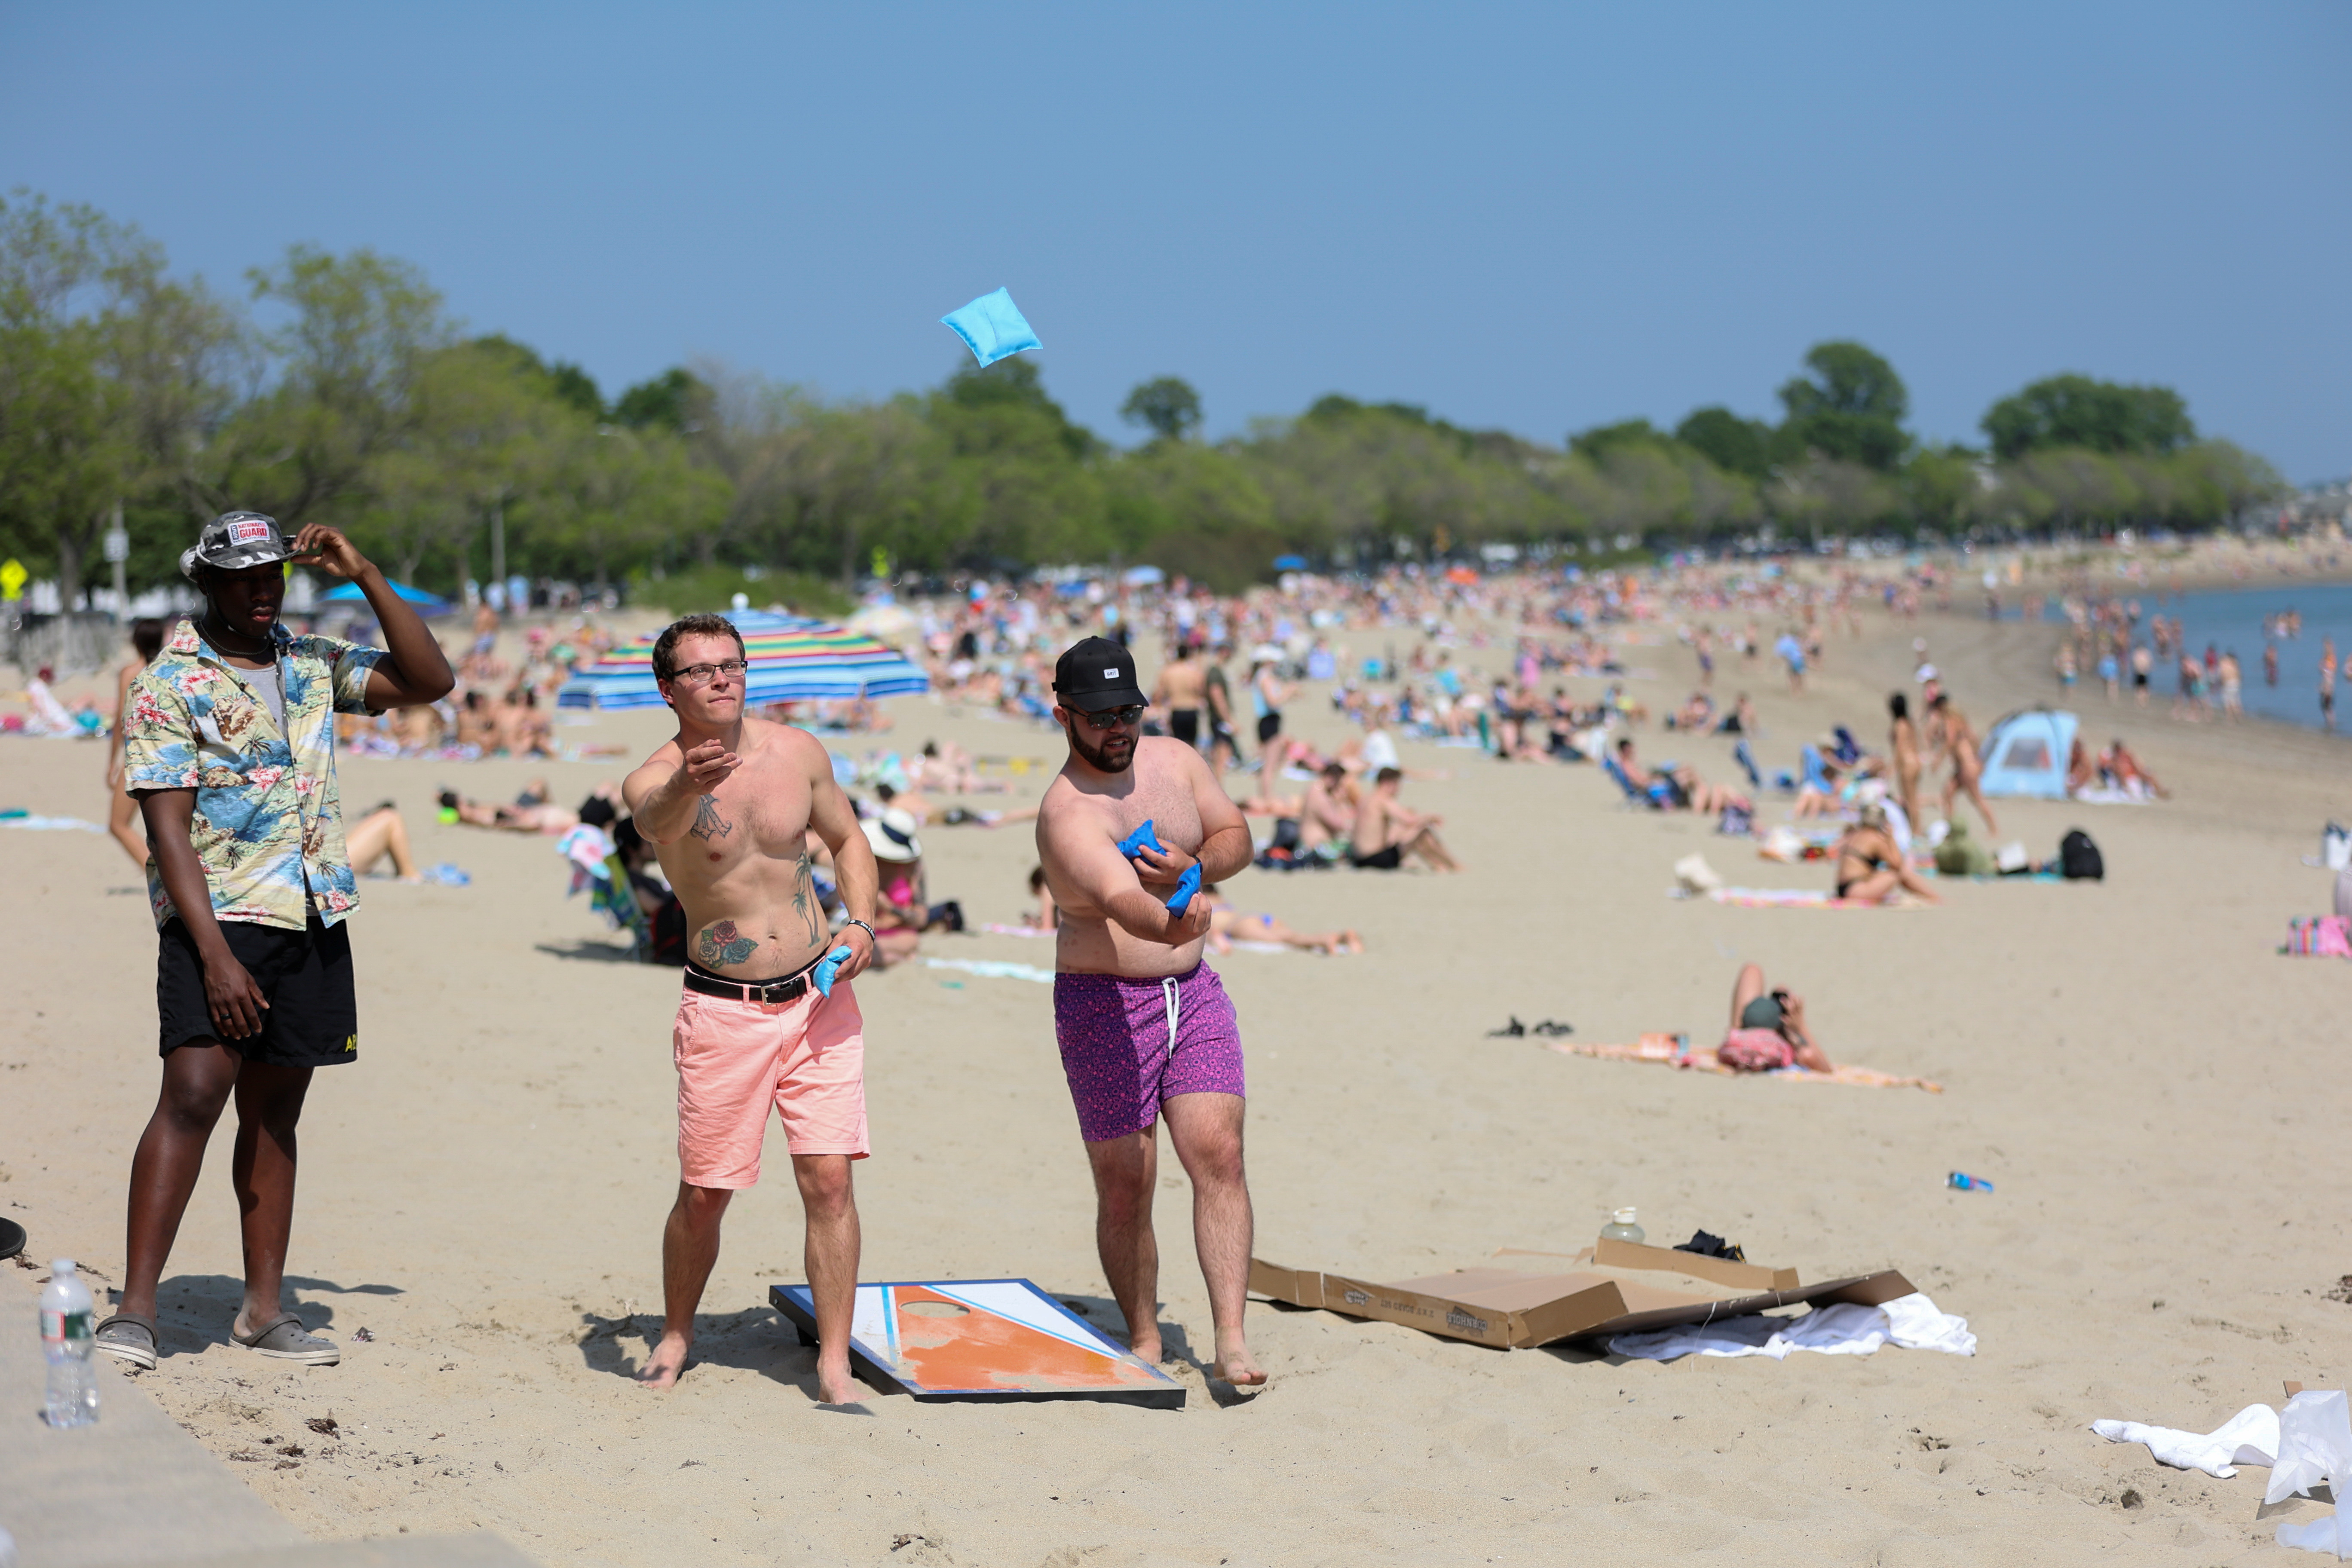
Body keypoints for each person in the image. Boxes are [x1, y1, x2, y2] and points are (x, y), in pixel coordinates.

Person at [96, 512, 455, 1373]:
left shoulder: (309, 665)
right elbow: (167, 831)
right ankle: (136, 1310)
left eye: (273, 575)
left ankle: (263, 1310)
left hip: (312, 912)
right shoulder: (168, 683)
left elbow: (430, 680)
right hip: (218, 919)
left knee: (276, 1111)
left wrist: (365, 573)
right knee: (192, 1094)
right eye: (244, 577)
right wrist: (213, 954)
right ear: (208, 583)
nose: (263, 589)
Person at [620, 613, 884, 1401]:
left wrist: (863, 920)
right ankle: (676, 1332)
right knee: (706, 1190)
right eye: (699, 670)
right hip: (724, 1008)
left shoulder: (798, 751)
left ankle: (833, 1359)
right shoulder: (653, 777)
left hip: (817, 996)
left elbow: (849, 838)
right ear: (668, 688)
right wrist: (684, 786)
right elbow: (651, 822)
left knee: (829, 1181)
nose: (720, 679)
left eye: (730, 664)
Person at [1033, 636, 1266, 1389]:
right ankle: (1142, 1334)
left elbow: (1237, 836)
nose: (1117, 728)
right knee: (1128, 1182)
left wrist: (1196, 868)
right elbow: (1130, 910)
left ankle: (1230, 1337)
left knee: (1218, 1154)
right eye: (1100, 716)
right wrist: (1184, 913)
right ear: (1064, 714)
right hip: (1103, 1004)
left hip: (1192, 992)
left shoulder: (1176, 761)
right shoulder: (1067, 814)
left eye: (1128, 710)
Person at [104, 618, 168, 867]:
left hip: (139, 756)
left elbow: (120, 721)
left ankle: (161, 877)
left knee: (118, 825)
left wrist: (112, 763)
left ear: (135, 642)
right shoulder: (168, 669)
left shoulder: (130, 673)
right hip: (169, 755)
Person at [1718, 965, 1832, 1073]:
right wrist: (1801, 1028)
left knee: (1752, 970)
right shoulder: (1788, 1050)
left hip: (1743, 1033)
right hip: (1776, 1035)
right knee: (1778, 986)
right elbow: (1826, 1070)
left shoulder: (1734, 1042)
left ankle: (1769, 1005)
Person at [1351, 767, 1462, 871]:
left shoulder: (1366, 799)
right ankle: (1454, 865)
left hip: (1358, 860)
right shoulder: (1383, 800)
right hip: (1376, 860)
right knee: (1423, 833)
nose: (1398, 791)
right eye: (1397, 785)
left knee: (1411, 833)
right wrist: (1430, 818)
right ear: (1388, 784)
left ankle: (1438, 866)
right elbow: (1410, 821)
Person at [1832, 804, 1938, 904]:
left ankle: (1930, 896)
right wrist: (1891, 838)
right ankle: (1932, 896)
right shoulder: (1875, 839)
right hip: (1857, 891)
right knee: (1897, 873)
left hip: (1843, 889)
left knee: (1886, 872)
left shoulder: (1855, 834)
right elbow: (1897, 864)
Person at [1930, 692, 1998, 836]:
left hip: (1967, 767)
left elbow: (1950, 741)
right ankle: (1952, 830)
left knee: (1977, 799)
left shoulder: (1950, 720)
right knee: (1948, 794)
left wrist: (1938, 759)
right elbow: (1973, 739)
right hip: (1965, 766)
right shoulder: (1960, 719)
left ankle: (1993, 829)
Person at [1152, 641, 1205, 750]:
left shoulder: (1169, 671)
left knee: (1178, 744)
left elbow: (1159, 694)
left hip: (1176, 709)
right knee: (1192, 745)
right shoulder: (1194, 671)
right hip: (1191, 709)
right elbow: (1201, 691)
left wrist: (1157, 707)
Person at [1888, 692, 1923, 833]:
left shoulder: (1900, 725)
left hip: (1907, 764)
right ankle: (1916, 829)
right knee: (1913, 799)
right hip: (1915, 762)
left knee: (1909, 800)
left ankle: (1915, 831)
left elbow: (1900, 748)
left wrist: (1892, 768)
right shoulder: (1909, 724)